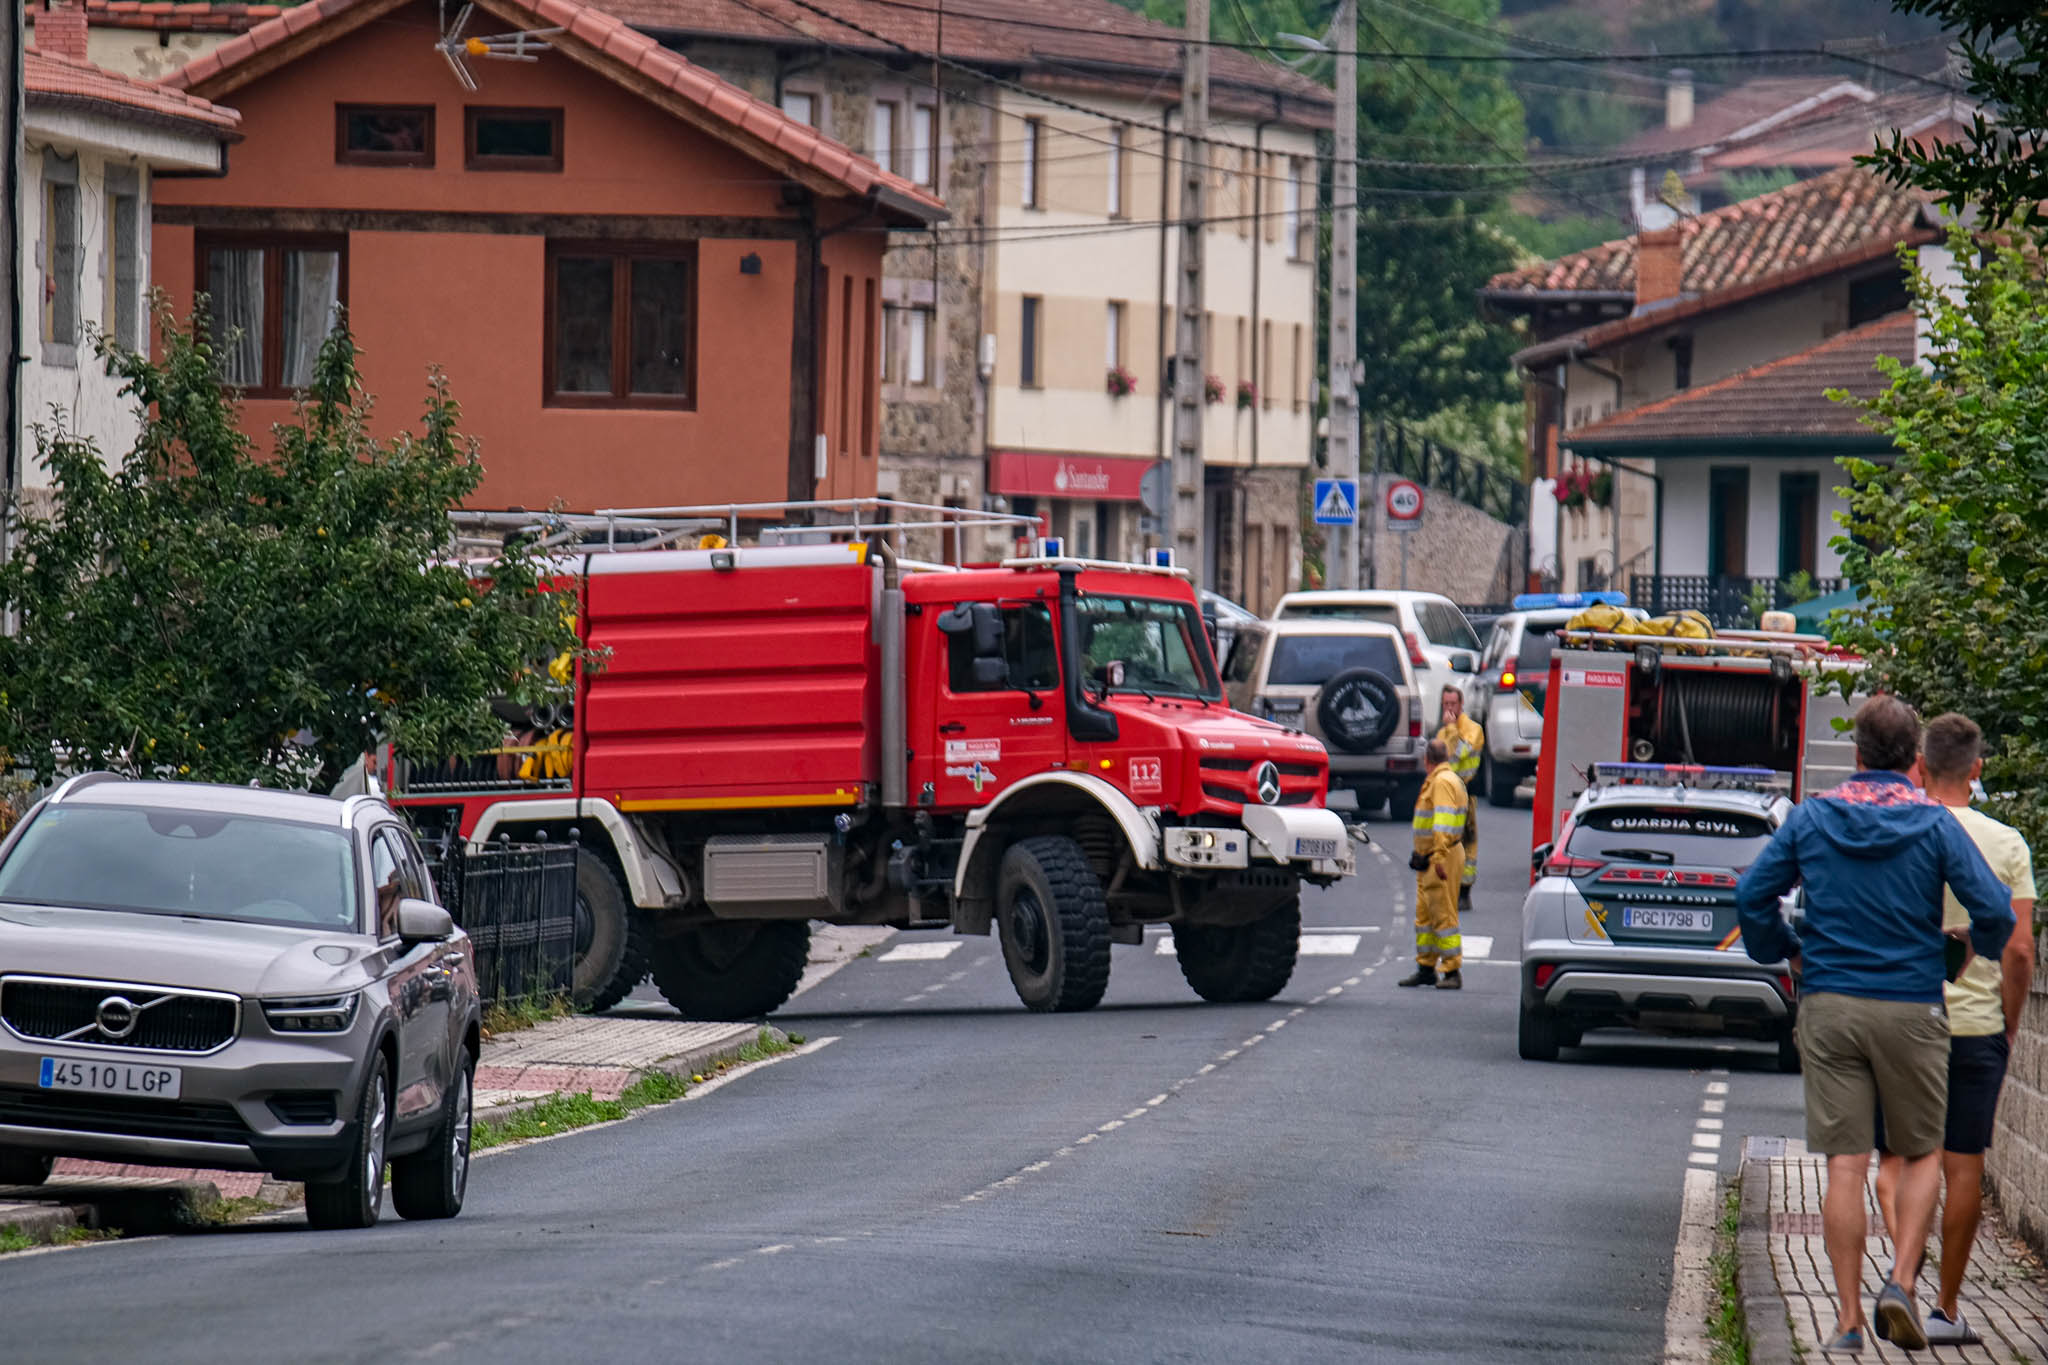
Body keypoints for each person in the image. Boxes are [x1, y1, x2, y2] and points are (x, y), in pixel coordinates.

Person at [1736, 695, 2014, 1353]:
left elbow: (1751, 896)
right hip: (1913, 1004)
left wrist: (1787, 948)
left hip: (1831, 1002)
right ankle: (1901, 1281)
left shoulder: (1813, 817)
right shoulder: (1935, 823)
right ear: (1914, 761)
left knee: (1844, 1165)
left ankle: (1847, 1321)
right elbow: (1997, 909)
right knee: (1921, 1152)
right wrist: (1969, 948)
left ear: (1856, 755)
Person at [1871, 713, 2036, 1347]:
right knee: (1964, 1166)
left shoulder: (1900, 829)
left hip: (1906, 1016)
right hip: (1976, 1026)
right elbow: (2018, 952)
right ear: (1977, 769)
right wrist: (2008, 1024)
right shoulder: (2007, 844)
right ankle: (1942, 1308)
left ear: (1919, 765)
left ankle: (1901, 1272)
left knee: (1898, 1159)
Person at [1399, 737, 1468, 991]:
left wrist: (1437, 856)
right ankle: (1426, 969)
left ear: (1426, 760)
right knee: (1425, 915)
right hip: (1431, 859)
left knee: (1443, 914)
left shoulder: (1441, 782)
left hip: (1441, 858)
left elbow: (1442, 823)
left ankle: (1452, 970)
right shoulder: (1445, 779)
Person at [1435, 685, 1483, 910]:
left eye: (1453, 704)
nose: (1449, 708)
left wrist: (1452, 730)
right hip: (1446, 796)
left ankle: (1465, 892)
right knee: (1444, 842)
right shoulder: (1442, 732)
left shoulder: (1473, 729)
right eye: (1446, 704)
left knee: (1467, 844)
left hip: (1465, 796)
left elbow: (1456, 757)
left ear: (1461, 705)